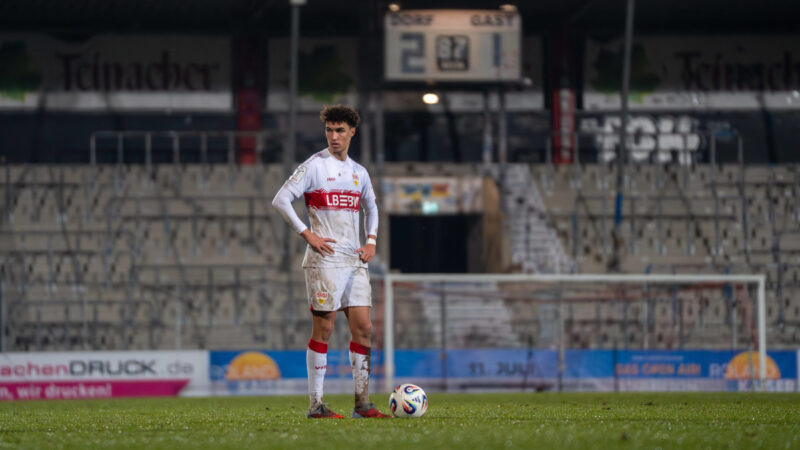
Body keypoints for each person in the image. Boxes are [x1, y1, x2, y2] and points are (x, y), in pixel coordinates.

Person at [271, 105, 389, 419]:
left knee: (363, 328)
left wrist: (371, 240)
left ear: (352, 132)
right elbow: (281, 199)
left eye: (340, 130)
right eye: (329, 130)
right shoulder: (314, 166)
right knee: (324, 329)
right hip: (324, 261)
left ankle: (362, 404)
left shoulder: (358, 172)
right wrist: (307, 234)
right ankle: (316, 405)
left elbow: (372, 208)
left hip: (354, 260)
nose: (334, 136)